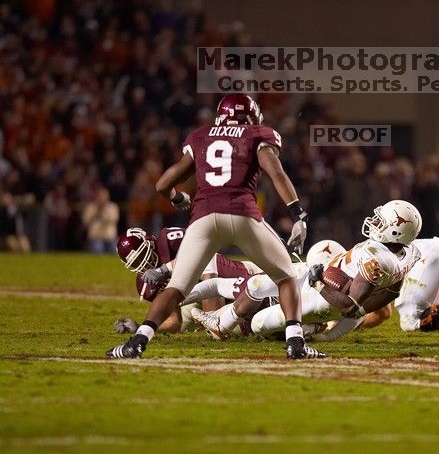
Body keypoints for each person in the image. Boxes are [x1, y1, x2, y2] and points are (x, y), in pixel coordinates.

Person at [106, 93, 325, 359]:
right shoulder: (257, 134)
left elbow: (163, 184)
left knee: (175, 288)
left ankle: (137, 342)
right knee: (286, 277)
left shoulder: (200, 136)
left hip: (204, 217)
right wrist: (298, 214)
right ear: (249, 116)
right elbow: (276, 172)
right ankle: (295, 344)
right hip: (244, 215)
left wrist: (177, 197)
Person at [250, 200, 423, 340]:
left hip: (331, 299)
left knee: (257, 323)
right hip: (345, 295)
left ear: (395, 232)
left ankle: (307, 325)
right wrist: (362, 311)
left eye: (381, 221)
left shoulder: (377, 259)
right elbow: (393, 292)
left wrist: (318, 283)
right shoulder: (409, 252)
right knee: (323, 250)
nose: (374, 222)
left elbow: (349, 307)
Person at [113, 226, 258, 335]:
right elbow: (174, 322)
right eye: (135, 262)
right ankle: (226, 324)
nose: (142, 263)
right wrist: (140, 327)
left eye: (142, 255)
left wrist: (164, 269)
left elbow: (204, 249)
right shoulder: (146, 285)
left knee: (204, 261)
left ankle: (216, 319)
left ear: (150, 243)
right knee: (185, 323)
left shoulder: (170, 240)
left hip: (228, 277)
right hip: (196, 296)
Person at [188, 239, 346, 340]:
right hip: (256, 304)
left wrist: (319, 332)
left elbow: (354, 316)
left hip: (259, 320)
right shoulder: (295, 275)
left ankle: (215, 322)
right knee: (253, 289)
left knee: (255, 318)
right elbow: (218, 286)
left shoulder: (331, 299)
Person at [81, 186, 119, 253]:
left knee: (114, 251)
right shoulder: (91, 207)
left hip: (110, 237)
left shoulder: (112, 207)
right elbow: (86, 221)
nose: (102, 198)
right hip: (96, 237)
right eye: (100, 196)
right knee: (97, 251)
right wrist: (96, 212)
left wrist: (103, 211)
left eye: (104, 196)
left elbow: (114, 220)